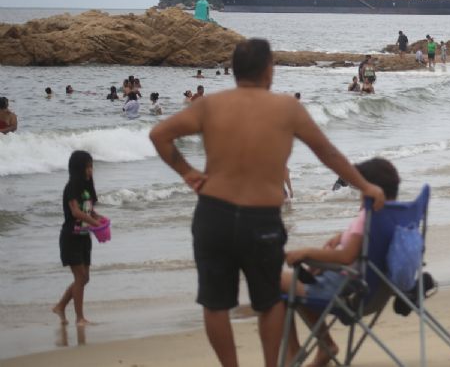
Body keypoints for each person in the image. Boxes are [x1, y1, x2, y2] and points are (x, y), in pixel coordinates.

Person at [149, 38, 385, 367]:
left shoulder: (210, 105)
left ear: (234, 71)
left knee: (215, 304)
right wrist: (366, 186)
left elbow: (158, 134)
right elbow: (328, 154)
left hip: (213, 214)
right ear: (268, 70)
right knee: (269, 299)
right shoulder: (287, 108)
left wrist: (188, 173)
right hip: (260, 220)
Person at [281, 158, 397, 366]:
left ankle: (302, 350)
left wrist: (307, 252)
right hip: (380, 288)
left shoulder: (368, 217)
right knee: (300, 281)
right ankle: (322, 347)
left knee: (277, 282)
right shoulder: (391, 216)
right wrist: (343, 237)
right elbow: (362, 248)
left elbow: (346, 257)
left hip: (350, 288)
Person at [53, 150, 104, 326]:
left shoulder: (88, 188)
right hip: (70, 237)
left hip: (84, 237)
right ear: (77, 169)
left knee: (84, 278)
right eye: (87, 167)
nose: (90, 171)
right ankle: (79, 318)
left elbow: (89, 210)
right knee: (81, 277)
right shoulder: (72, 187)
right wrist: (94, 223)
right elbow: (76, 211)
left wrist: (100, 218)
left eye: (91, 167)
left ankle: (60, 306)